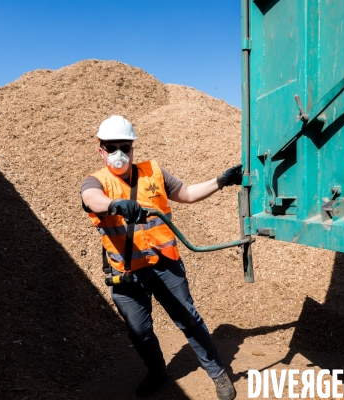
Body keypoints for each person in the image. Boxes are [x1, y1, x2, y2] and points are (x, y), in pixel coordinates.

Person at [80, 115, 242, 399]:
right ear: (100, 149)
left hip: (166, 265)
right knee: (139, 332)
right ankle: (157, 372)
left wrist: (222, 180)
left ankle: (217, 373)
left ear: (133, 148)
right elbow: (91, 199)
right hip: (127, 272)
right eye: (111, 147)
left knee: (189, 320)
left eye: (125, 147)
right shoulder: (96, 181)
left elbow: (188, 193)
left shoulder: (154, 172)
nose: (119, 154)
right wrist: (116, 205)